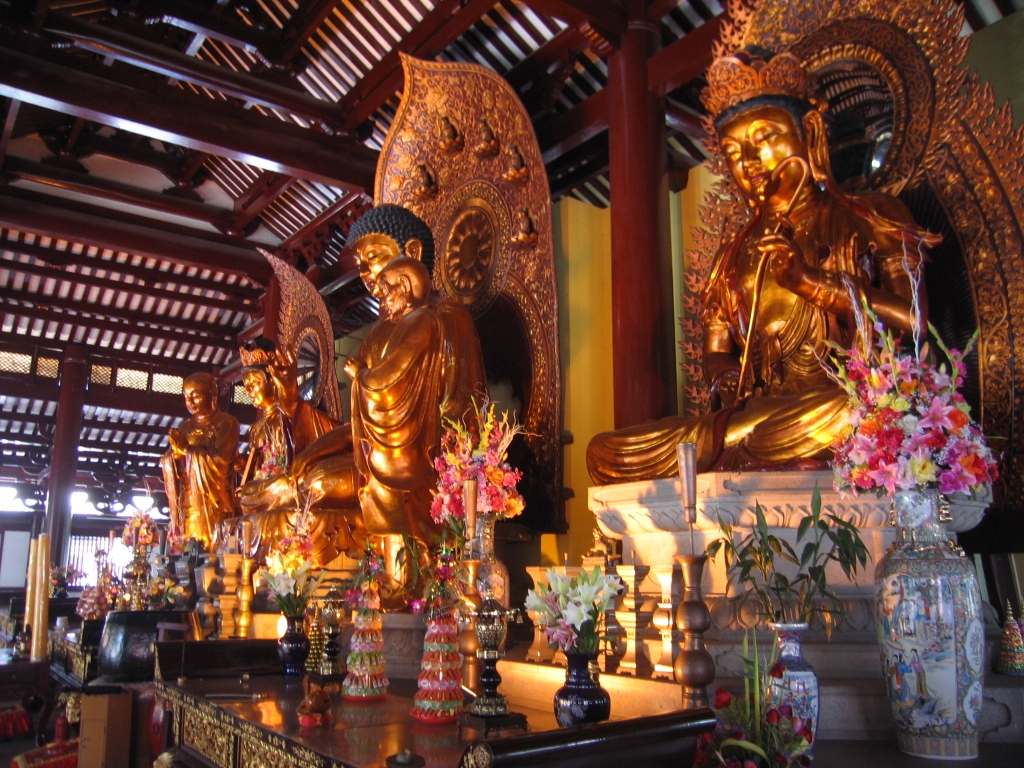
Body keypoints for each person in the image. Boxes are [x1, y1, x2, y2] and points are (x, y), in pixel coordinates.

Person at [587, 49, 940, 483]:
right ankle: (747, 448)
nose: (749, 163)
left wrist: (811, 282)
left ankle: (749, 449)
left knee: (853, 415)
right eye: (734, 152)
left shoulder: (872, 216)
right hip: (756, 414)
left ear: (808, 132)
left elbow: (918, 322)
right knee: (607, 451)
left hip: (835, 404)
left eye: (764, 138)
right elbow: (716, 354)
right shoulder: (732, 255)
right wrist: (727, 374)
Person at [343, 206, 487, 540]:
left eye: (375, 256)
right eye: (360, 264)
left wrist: (456, 461)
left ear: (412, 255)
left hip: (422, 463)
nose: (365, 272)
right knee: (311, 481)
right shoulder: (379, 331)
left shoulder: (447, 317)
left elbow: (461, 405)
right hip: (376, 451)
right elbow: (359, 422)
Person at [160, 372, 239, 549]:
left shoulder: (226, 422)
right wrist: (174, 456)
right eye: (186, 397)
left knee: (211, 547)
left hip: (211, 498)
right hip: (188, 495)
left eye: (196, 396)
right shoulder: (184, 427)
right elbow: (171, 460)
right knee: (189, 546)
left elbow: (223, 462)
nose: (190, 402)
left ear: (212, 394)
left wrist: (187, 449)